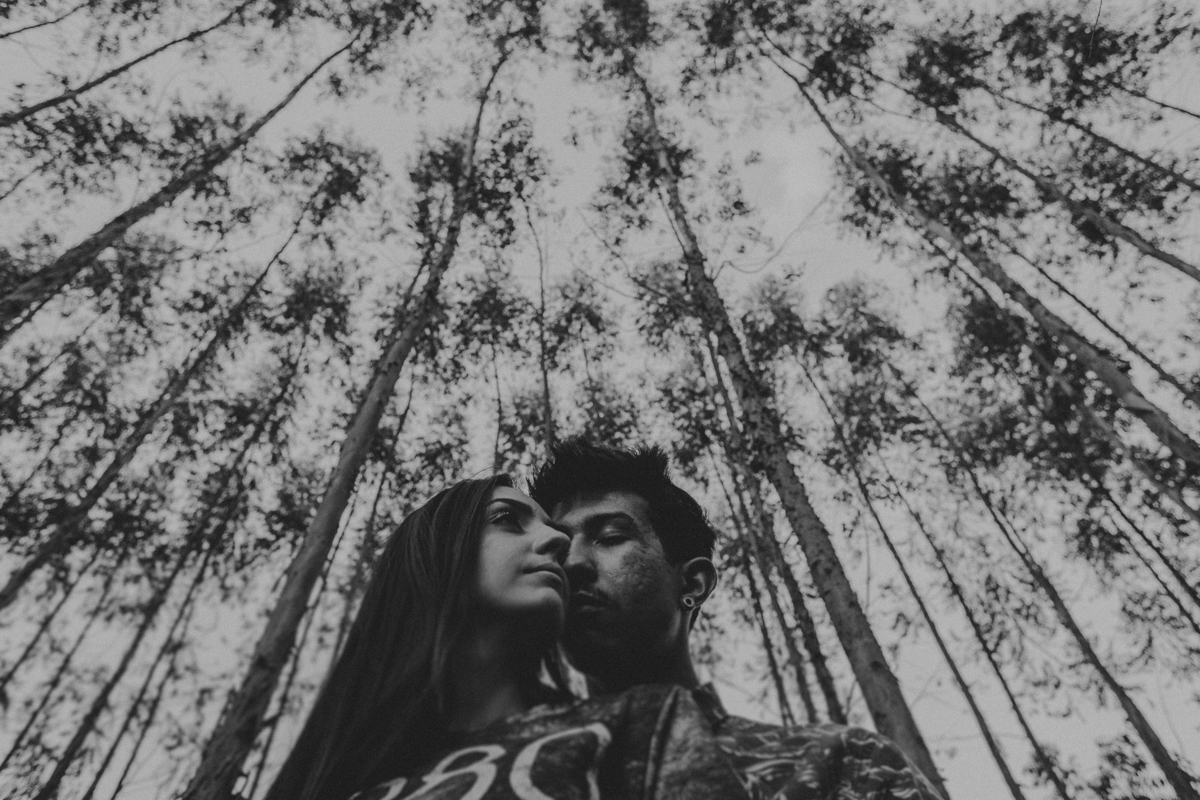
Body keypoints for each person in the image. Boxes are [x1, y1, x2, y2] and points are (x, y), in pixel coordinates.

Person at [265, 474, 747, 800]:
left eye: (609, 537)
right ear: (434, 554)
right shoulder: (339, 770)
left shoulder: (642, 725)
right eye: (506, 520)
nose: (561, 547)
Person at [529, 439, 945, 800]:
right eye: (559, 549)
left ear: (693, 583)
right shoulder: (523, 777)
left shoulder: (843, 764)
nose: (572, 564)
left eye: (610, 538)